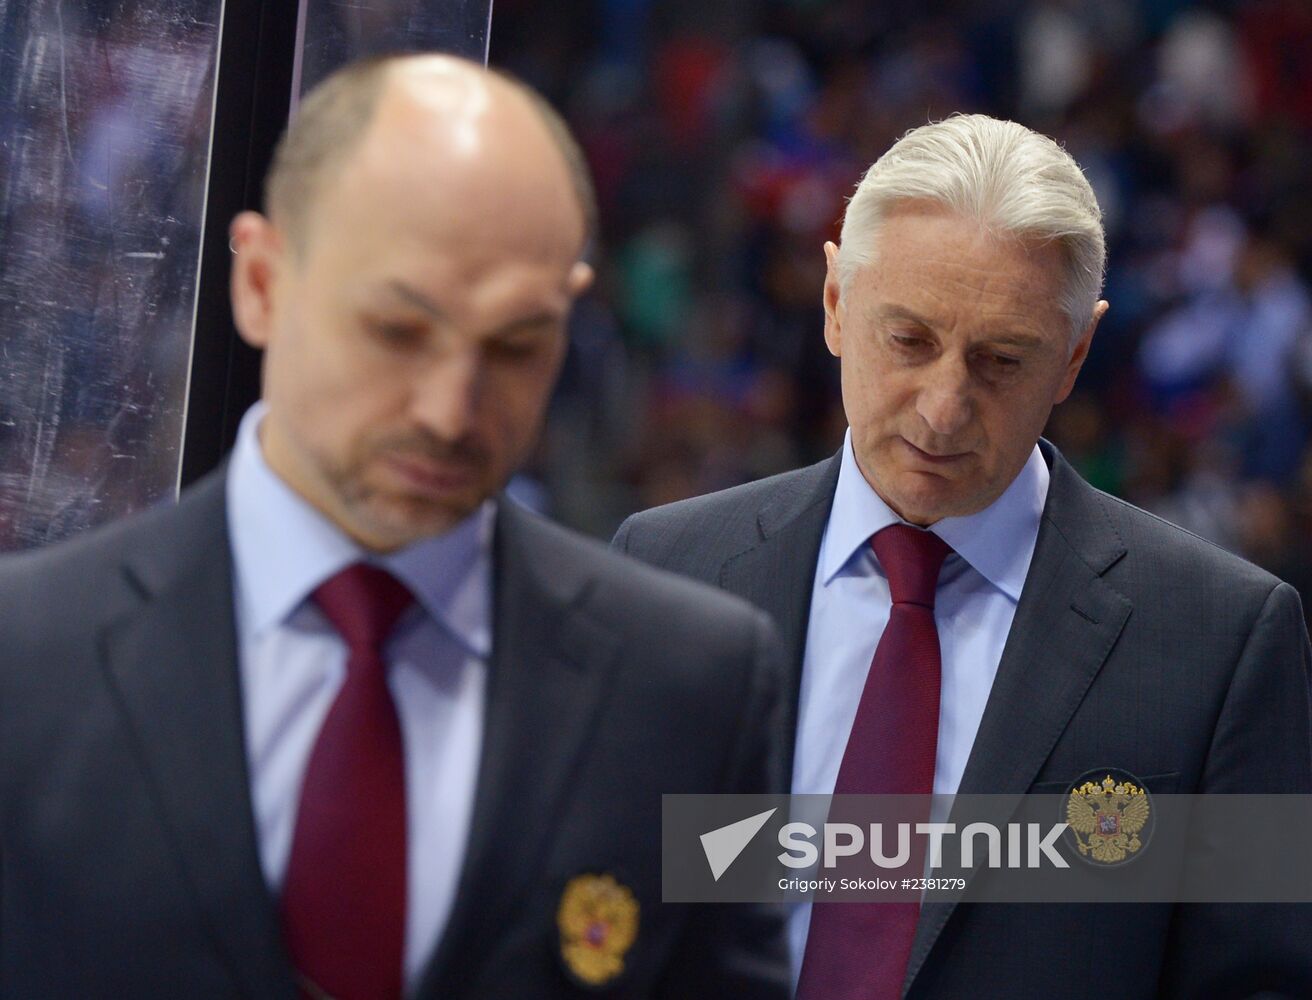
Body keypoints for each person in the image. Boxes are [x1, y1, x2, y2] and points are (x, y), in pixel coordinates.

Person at [0, 55, 791, 999]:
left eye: (515, 345)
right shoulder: (26, 664)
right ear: (260, 281)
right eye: (397, 329)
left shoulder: (693, 685)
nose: (450, 409)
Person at [614, 114, 1312, 999]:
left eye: (1001, 361)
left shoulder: (1222, 638)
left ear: (1075, 356)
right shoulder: (665, 569)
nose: (944, 408)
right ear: (835, 304)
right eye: (908, 341)